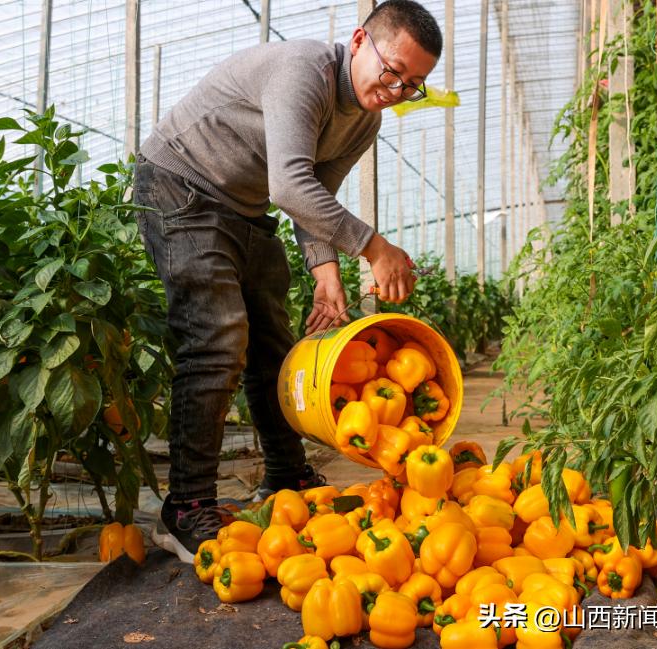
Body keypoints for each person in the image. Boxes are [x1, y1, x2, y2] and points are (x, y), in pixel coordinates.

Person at [134, 0, 442, 562]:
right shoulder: (302, 71)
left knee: (277, 344)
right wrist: (375, 249)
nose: (398, 89)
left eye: (414, 83)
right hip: (180, 186)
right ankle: (183, 510)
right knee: (218, 339)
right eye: (393, 71)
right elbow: (292, 186)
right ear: (358, 42)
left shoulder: (364, 121)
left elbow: (313, 197)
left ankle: (285, 476)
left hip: (243, 208)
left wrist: (328, 277)